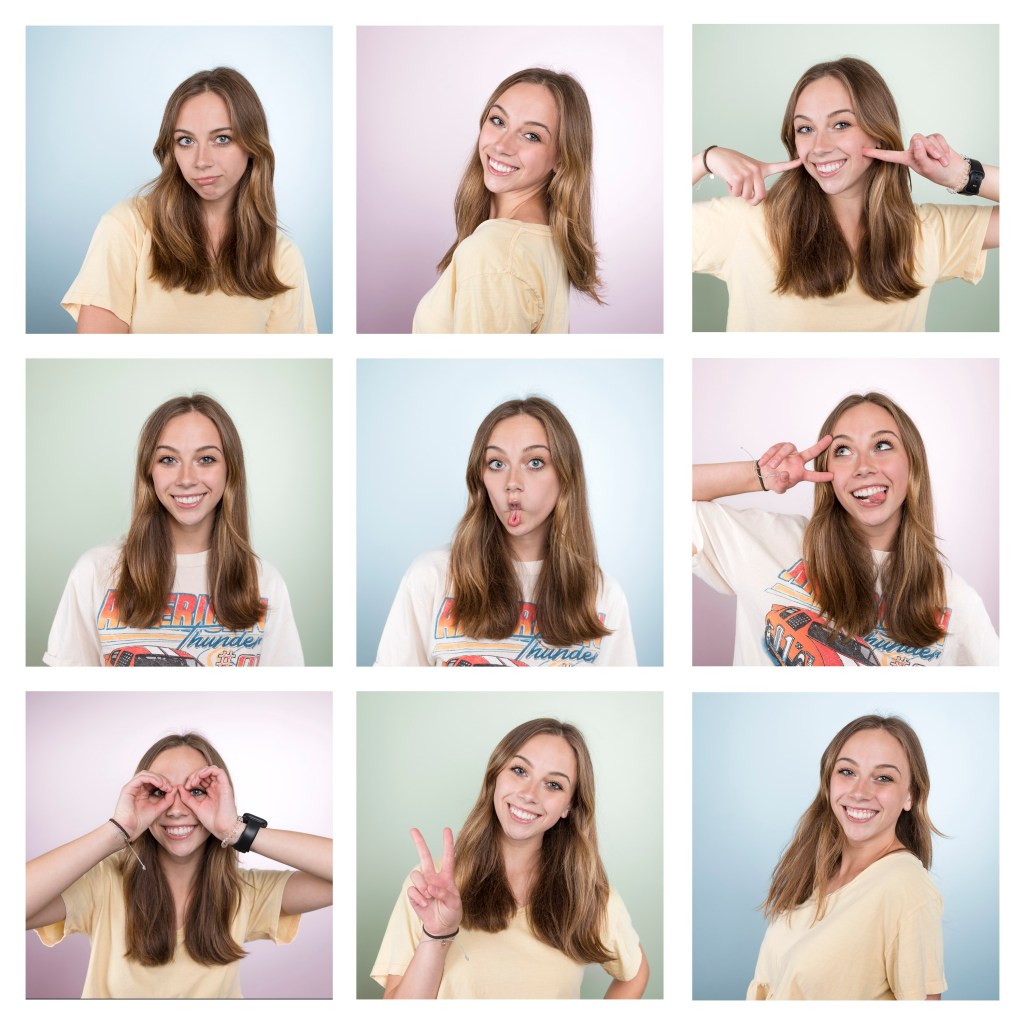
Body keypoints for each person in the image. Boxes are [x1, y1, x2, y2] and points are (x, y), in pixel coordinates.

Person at [692, 57, 999, 331]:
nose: (820, 146)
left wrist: (959, 174)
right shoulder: (745, 222)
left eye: (840, 124)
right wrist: (705, 160)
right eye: (805, 129)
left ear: (878, 134)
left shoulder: (927, 230)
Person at [692, 391, 998, 665]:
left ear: (912, 464)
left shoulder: (955, 598)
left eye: (882, 445)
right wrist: (761, 474)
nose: (863, 466)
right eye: (843, 451)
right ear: (827, 472)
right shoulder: (766, 539)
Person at [27, 732, 332, 998]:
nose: (175, 810)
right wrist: (117, 830)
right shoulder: (102, 884)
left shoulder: (246, 893)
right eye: (159, 793)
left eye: (196, 791)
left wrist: (235, 829)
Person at [372, 718, 649, 998]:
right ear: (495, 776)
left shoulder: (590, 897)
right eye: (519, 770)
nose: (529, 794)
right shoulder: (427, 887)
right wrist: (436, 935)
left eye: (553, 785)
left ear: (570, 805)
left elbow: (635, 974)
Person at [44, 393, 304, 666]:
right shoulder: (94, 572)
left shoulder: (265, 583)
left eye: (206, 459)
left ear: (230, 471)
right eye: (168, 460)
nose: (186, 479)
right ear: (149, 472)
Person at [375, 396, 636, 666]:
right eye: (497, 464)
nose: (512, 483)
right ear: (481, 478)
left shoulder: (604, 597)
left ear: (565, 476)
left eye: (535, 462)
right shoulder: (430, 576)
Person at [62, 67, 316, 333]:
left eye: (222, 139)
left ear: (252, 145)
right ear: (171, 148)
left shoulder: (282, 259)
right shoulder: (127, 227)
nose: (201, 161)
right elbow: (99, 362)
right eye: (185, 141)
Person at [747, 715, 945, 999]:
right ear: (828, 783)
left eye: (884, 778)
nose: (860, 792)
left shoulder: (906, 886)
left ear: (910, 796)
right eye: (847, 772)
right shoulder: (814, 871)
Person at [413, 68, 601, 333]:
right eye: (498, 120)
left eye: (531, 136)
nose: (502, 145)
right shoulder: (543, 239)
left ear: (561, 158)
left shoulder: (494, 252)